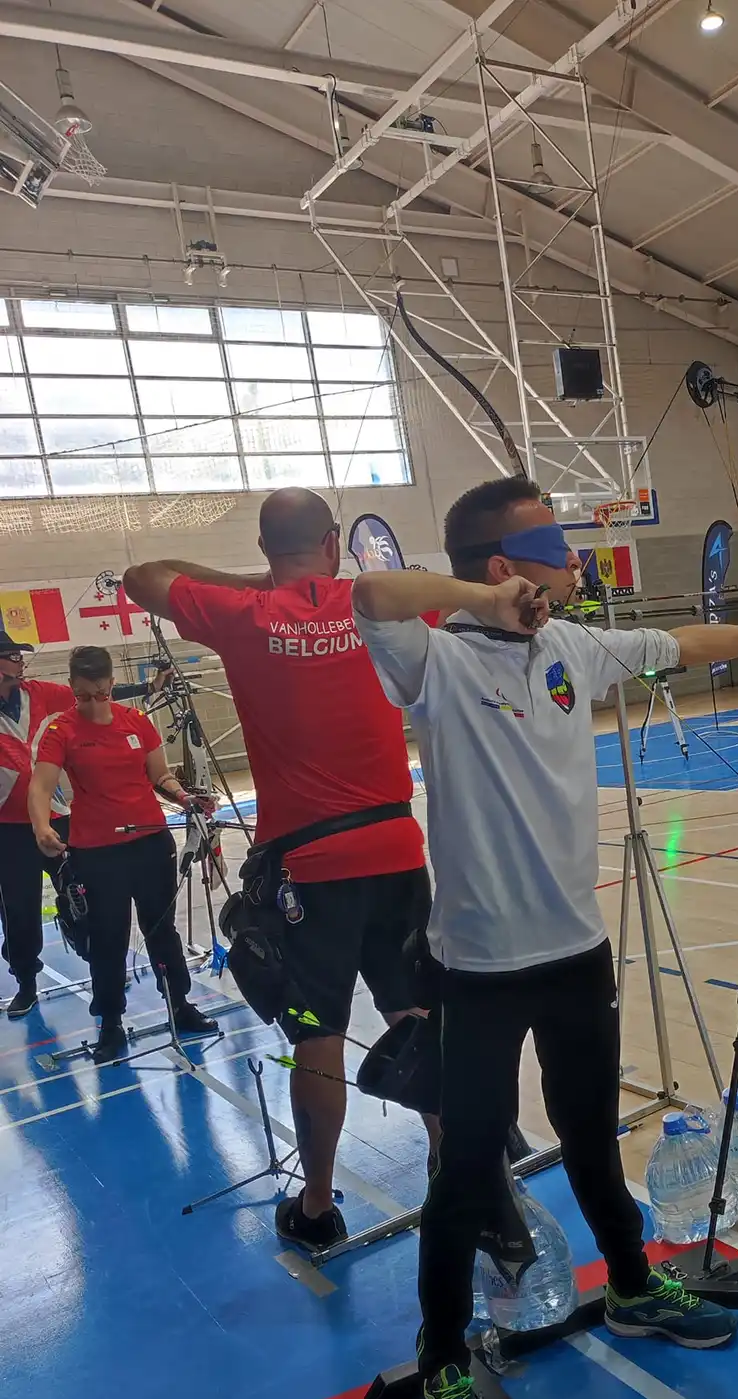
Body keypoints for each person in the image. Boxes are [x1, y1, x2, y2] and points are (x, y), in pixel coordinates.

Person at [352, 474, 738, 1399]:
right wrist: (476, 605)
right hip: (476, 972)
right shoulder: (433, 661)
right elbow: (375, 593)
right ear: (501, 567)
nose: (577, 566)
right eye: (555, 551)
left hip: (573, 958)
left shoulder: (573, 649)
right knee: (466, 1169)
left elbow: (685, 647)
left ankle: (626, 1287)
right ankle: (444, 1363)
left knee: (588, 1133)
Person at [122, 488, 433, 1254]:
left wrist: (259, 585)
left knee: (315, 1031)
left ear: (266, 551)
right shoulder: (378, 602)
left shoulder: (242, 614)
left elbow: (141, 574)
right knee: (418, 1012)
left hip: (311, 866)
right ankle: (463, 1158)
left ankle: (320, 1204)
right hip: (396, 850)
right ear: (333, 542)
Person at [28, 646, 217, 1062]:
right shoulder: (61, 730)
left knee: (161, 929)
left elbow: (161, 776)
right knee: (109, 938)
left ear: (112, 684)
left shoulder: (138, 723)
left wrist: (186, 798)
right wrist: (42, 826)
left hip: (150, 843)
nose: (93, 704)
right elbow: (40, 786)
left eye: (100, 693)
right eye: (83, 696)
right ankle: (110, 1022)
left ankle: (180, 1005)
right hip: (97, 852)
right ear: (73, 689)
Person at [0, 625, 75, 1017]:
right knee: (19, 907)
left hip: (56, 814)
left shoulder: (41, 694)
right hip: (8, 828)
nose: (21, 662)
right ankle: (26, 979)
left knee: (82, 889)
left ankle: (100, 961)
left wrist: (149, 689)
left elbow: (91, 698)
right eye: (13, 657)